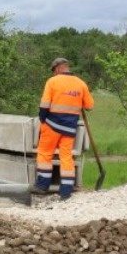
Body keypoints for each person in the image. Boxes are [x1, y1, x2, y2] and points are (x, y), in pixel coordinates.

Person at [33, 57, 94, 200]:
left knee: (44, 153)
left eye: (54, 70)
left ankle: (42, 186)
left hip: (52, 125)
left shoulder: (52, 81)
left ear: (59, 68)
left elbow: (44, 104)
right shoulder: (81, 83)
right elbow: (90, 106)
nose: (54, 73)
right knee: (66, 156)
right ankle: (66, 191)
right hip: (70, 128)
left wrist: (42, 119)